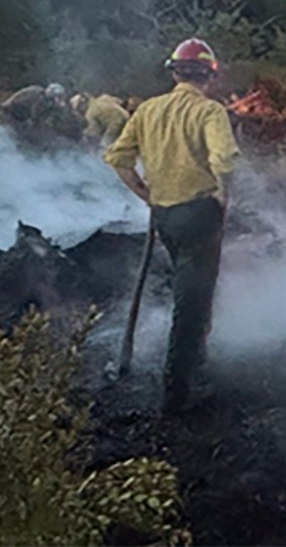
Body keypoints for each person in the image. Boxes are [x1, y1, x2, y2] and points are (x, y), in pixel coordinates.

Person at [104, 38, 240, 415]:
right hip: (199, 213)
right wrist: (222, 195)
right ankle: (178, 390)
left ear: (176, 73)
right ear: (208, 76)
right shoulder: (209, 111)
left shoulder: (148, 110)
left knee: (191, 289)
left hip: (163, 215)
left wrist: (146, 194)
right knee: (192, 302)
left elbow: (118, 158)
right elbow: (225, 161)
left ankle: (196, 360)